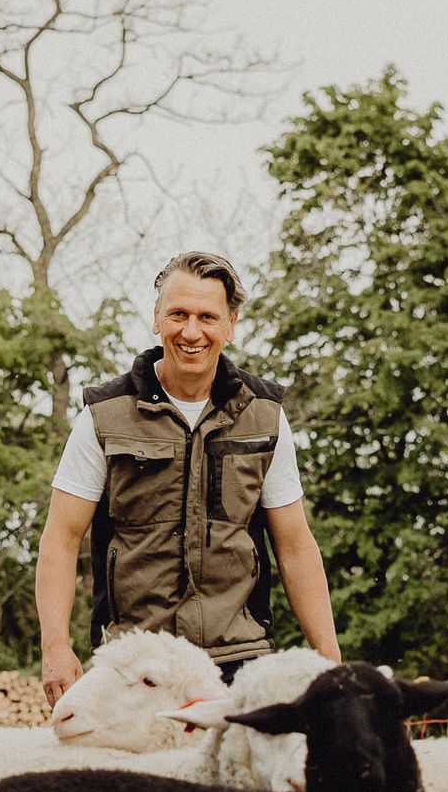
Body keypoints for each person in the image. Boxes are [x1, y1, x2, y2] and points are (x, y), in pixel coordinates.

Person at [35, 252, 341, 704]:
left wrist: (328, 656)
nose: (191, 331)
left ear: (231, 324)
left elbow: (295, 545)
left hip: (239, 658)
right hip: (135, 659)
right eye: (178, 314)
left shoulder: (265, 417)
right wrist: (55, 645)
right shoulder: (103, 416)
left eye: (207, 317)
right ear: (157, 319)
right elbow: (61, 538)